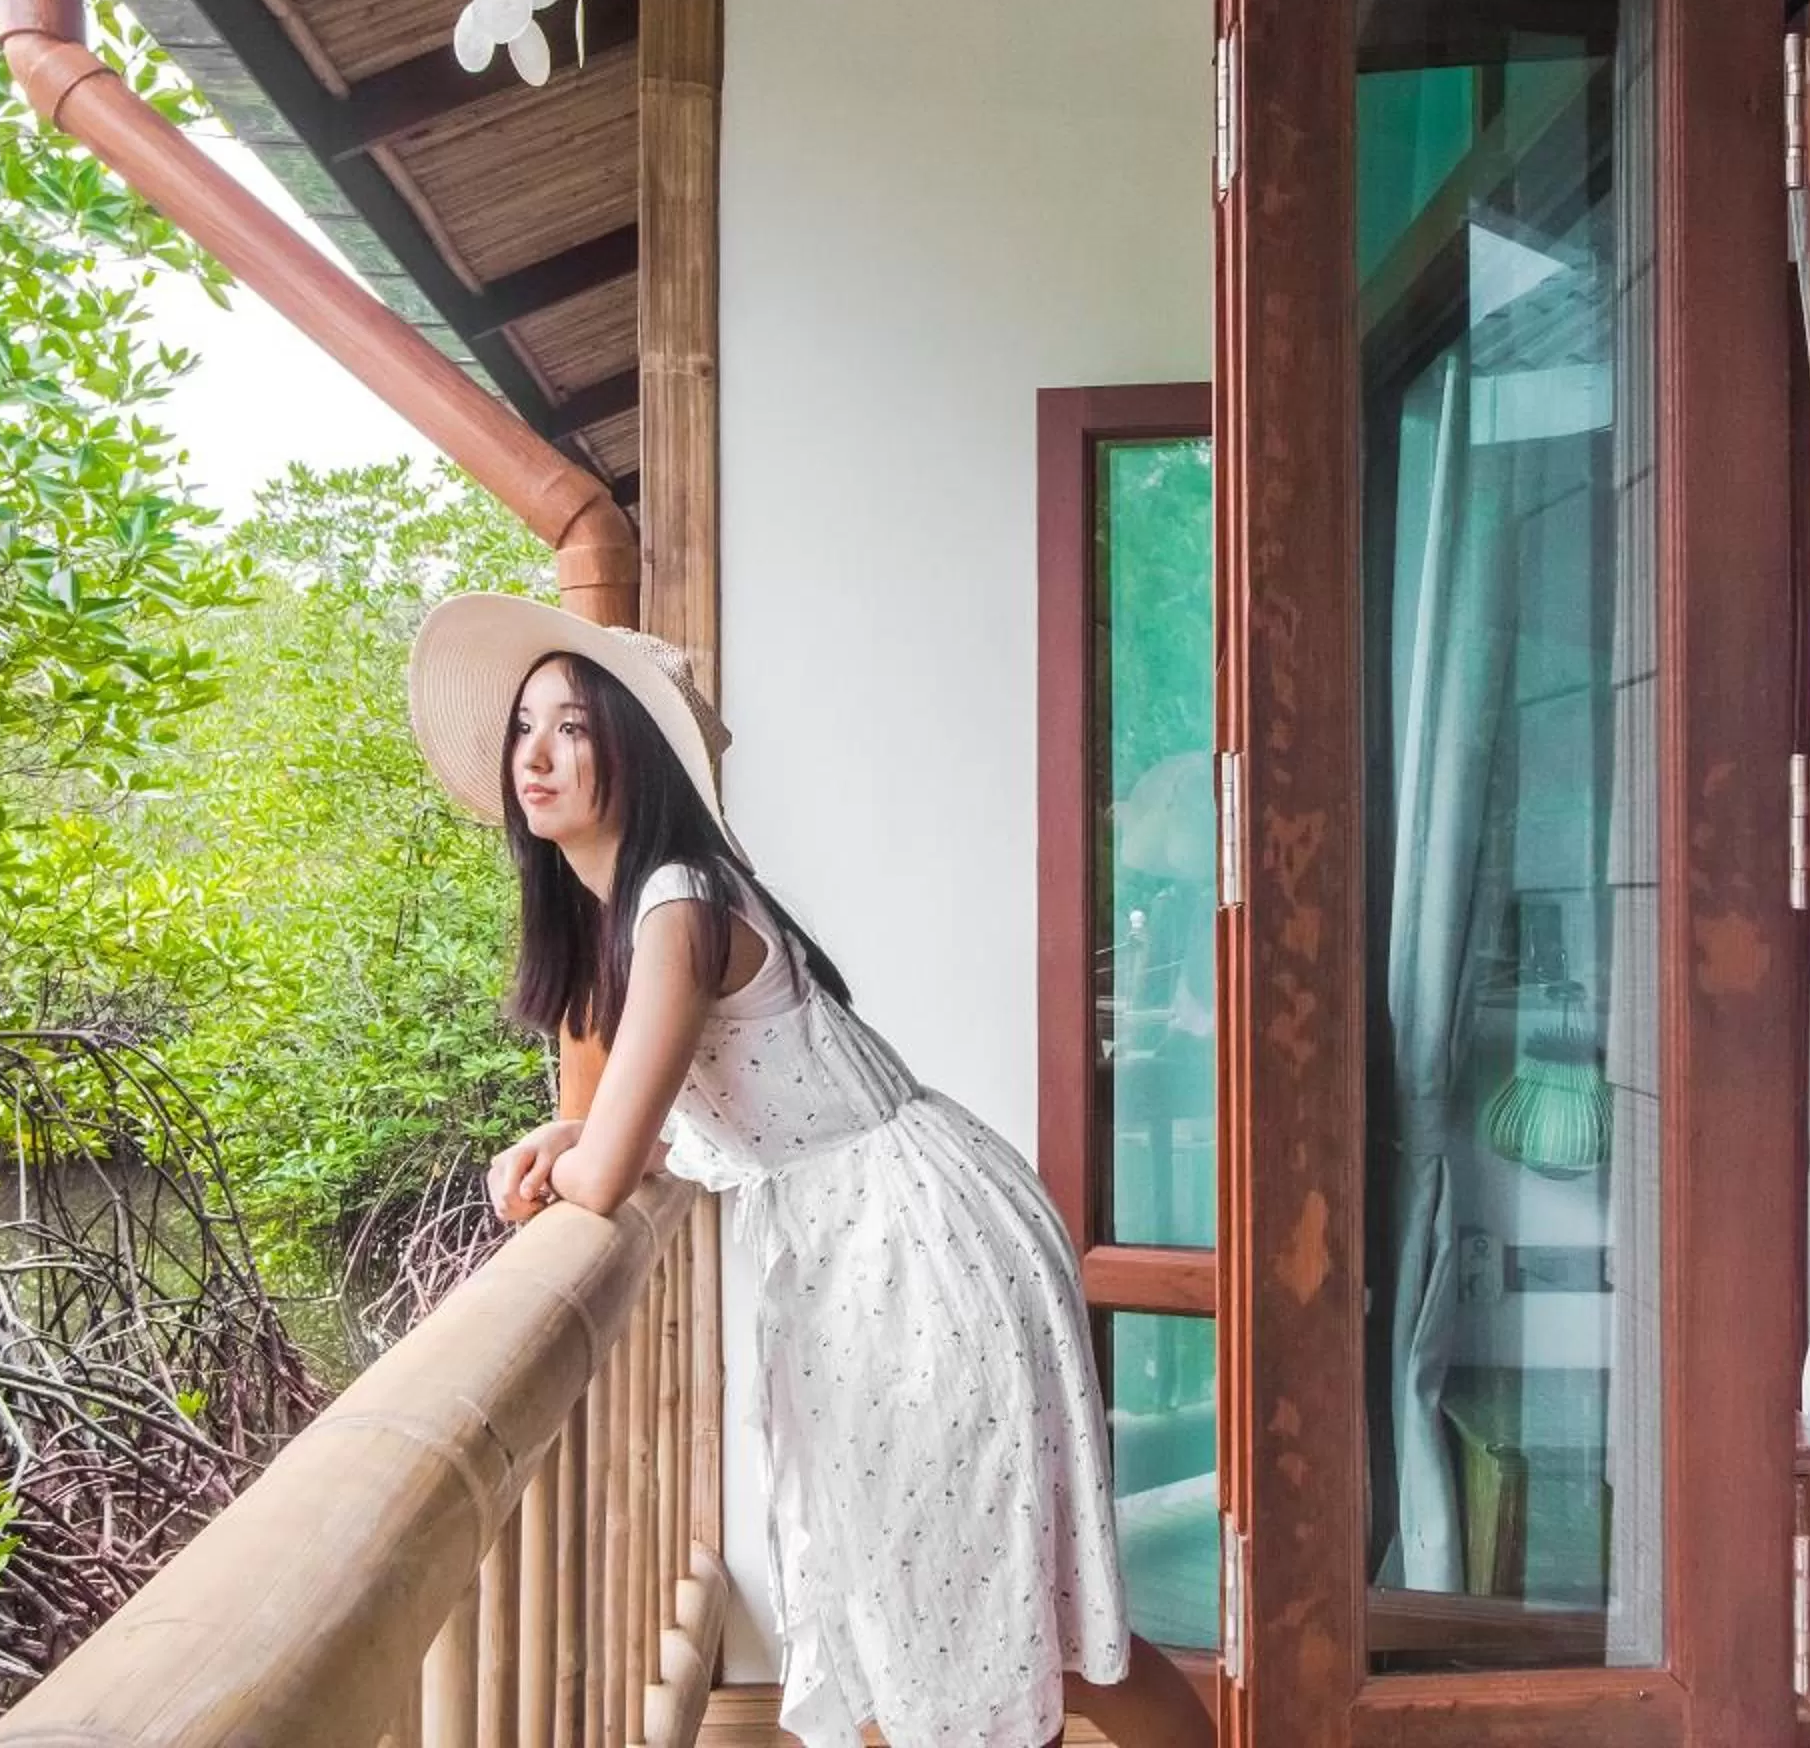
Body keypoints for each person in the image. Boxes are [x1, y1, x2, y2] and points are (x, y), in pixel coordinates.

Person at [405, 593, 1214, 1748]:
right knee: (965, 1611)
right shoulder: (647, 903)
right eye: (524, 726)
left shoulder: (675, 901)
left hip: (914, 1254)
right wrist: (571, 1131)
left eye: (573, 727)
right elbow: (716, 1107)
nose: (534, 755)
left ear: (635, 750)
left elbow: (612, 1170)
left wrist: (583, 1147)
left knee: (995, 1615)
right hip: (884, 1240)